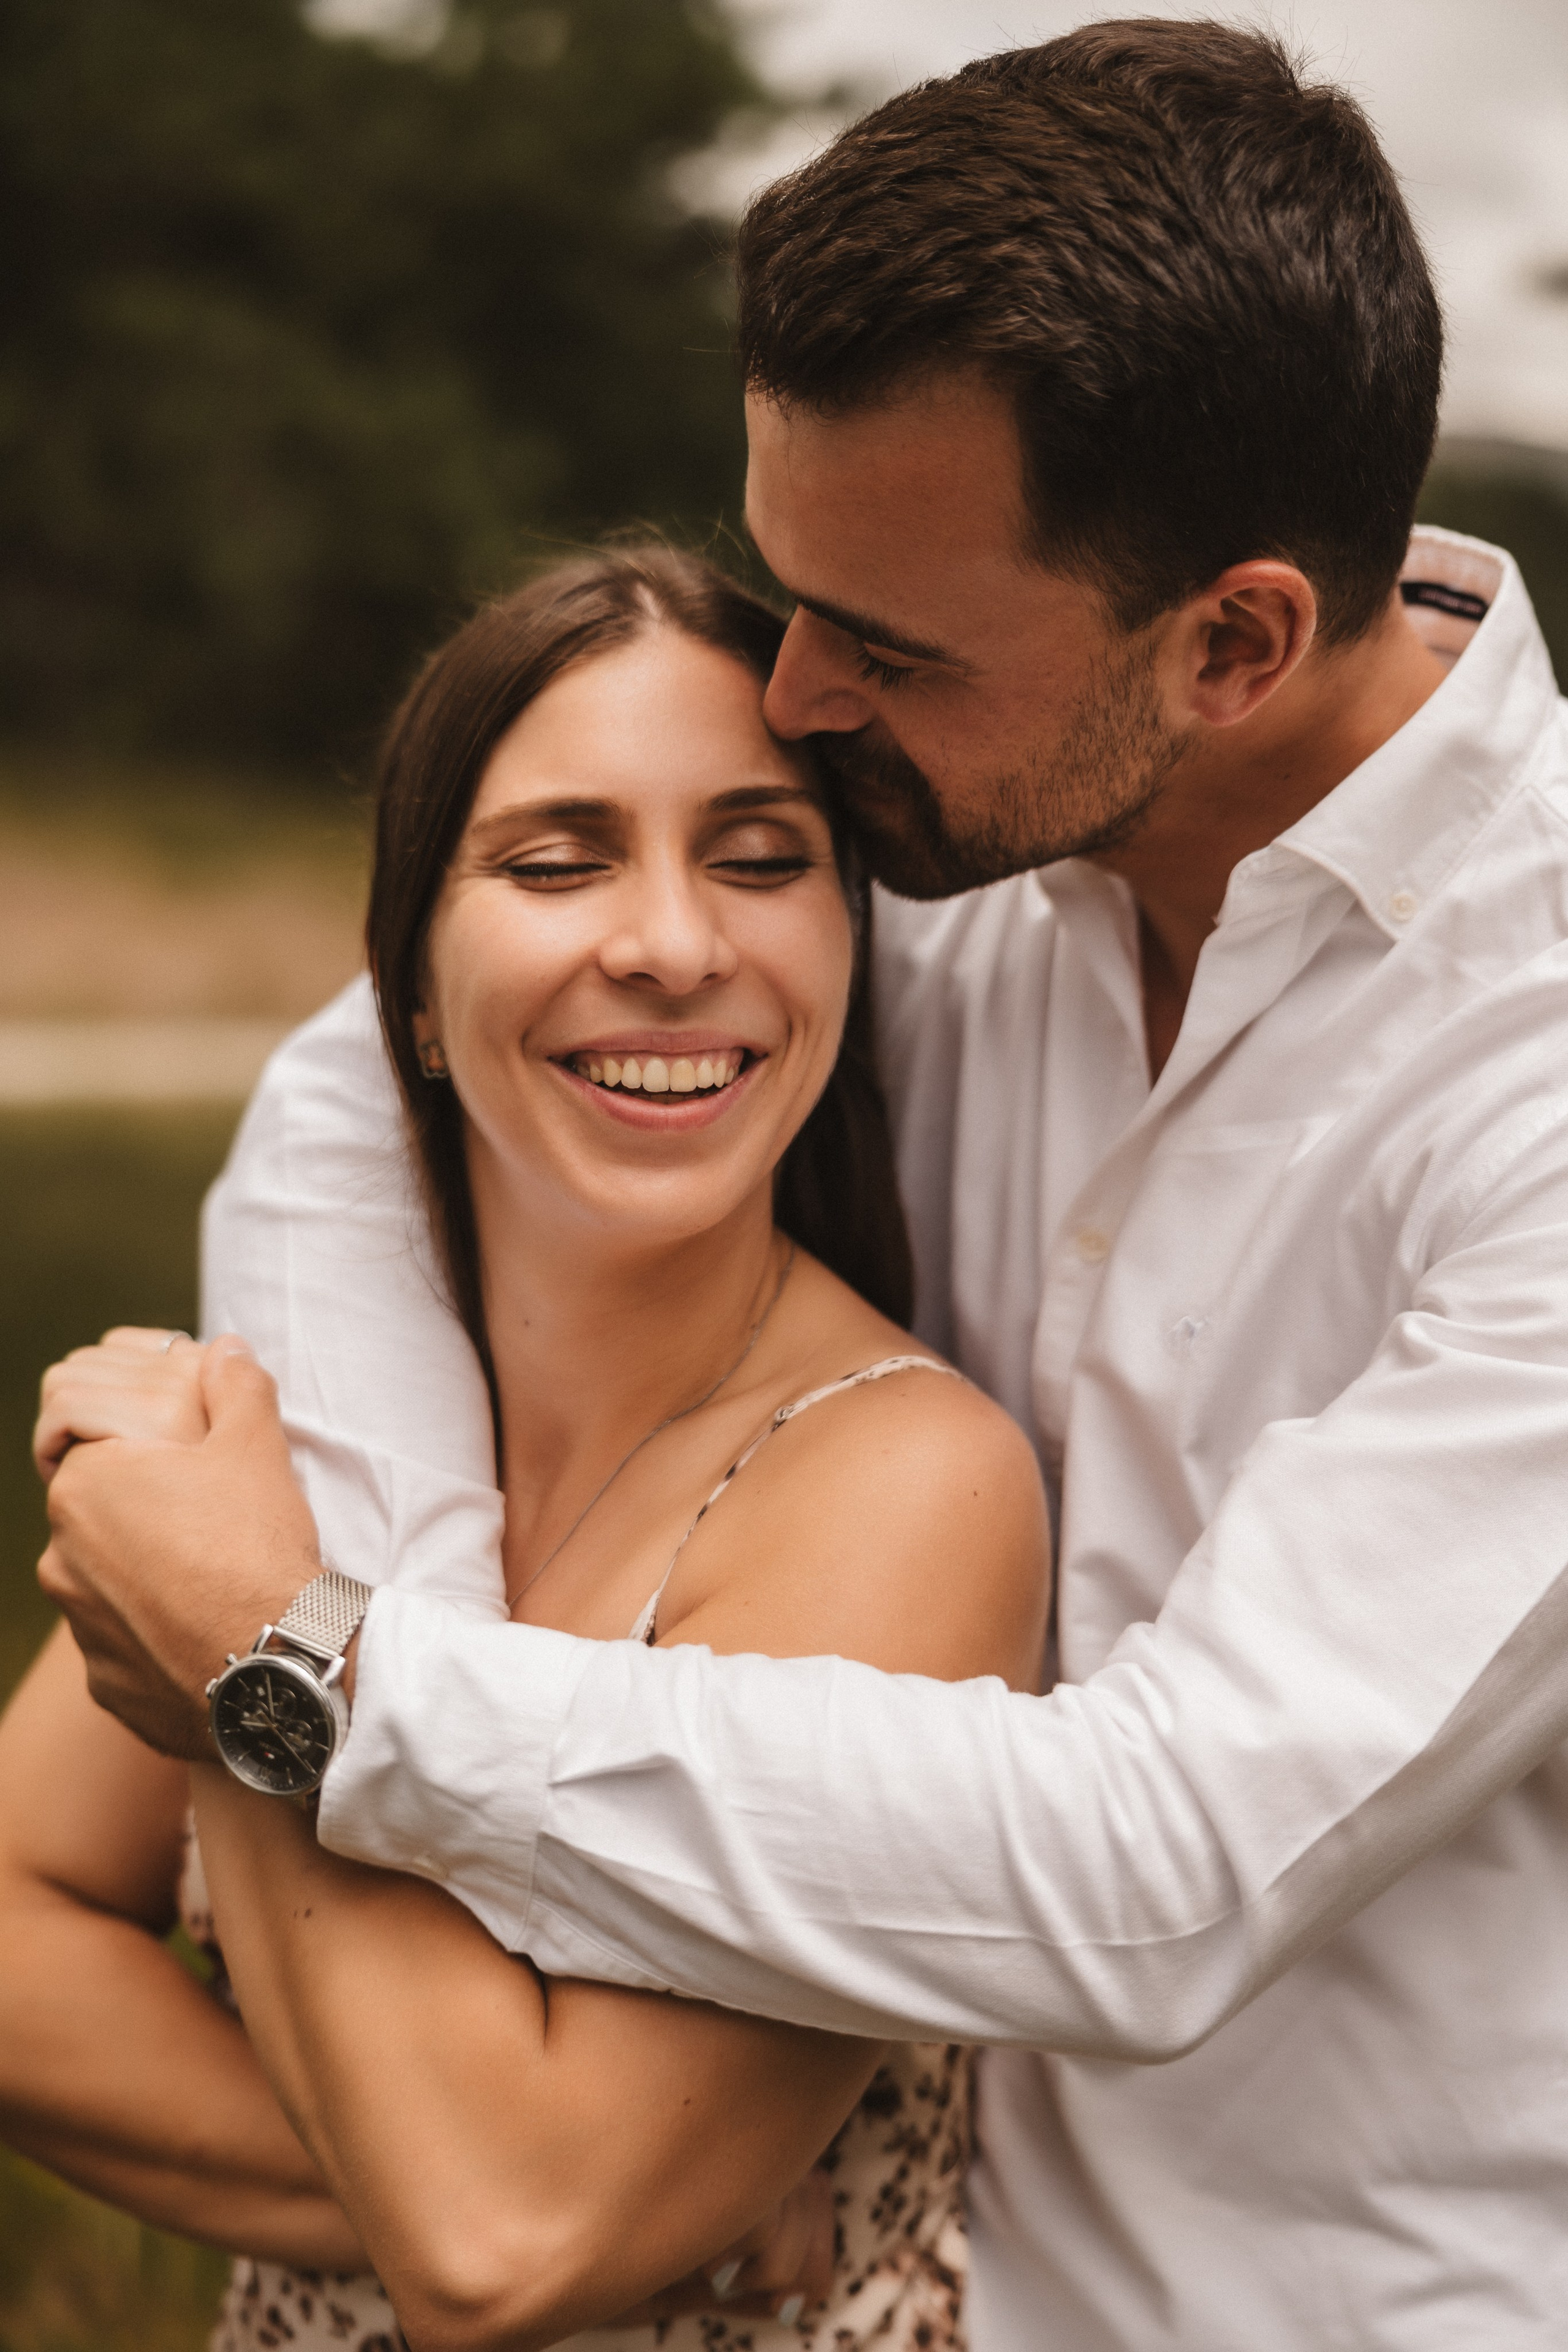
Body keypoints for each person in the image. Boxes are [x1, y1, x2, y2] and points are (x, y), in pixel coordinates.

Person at [35, 20, 1568, 2349]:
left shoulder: (1527, 1079)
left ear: (1232, 641)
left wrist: (321, 1678)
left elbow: (1159, 1873)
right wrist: (382, 1568)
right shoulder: (956, 824)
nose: (805, 699)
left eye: (892, 643)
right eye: (791, 594)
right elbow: (373, 1075)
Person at [9, 548, 1050, 2350]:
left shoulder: (898, 1485)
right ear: (409, 991)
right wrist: (416, 2190)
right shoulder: (314, 1408)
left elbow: (505, 2237)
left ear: (848, 948)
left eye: (759, 857)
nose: (667, 941)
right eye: (557, 861)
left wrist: (240, 1660)